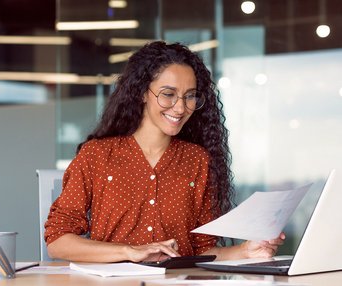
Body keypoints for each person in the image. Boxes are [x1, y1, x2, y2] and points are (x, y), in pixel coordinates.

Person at [44, 41, 285, 263]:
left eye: (190, 96)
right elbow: (58, 241)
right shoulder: (96, 155)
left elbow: (201, 251)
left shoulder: (197, 160)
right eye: (168, 94)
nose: (180, 107)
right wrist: (129, 251)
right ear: (141, 92)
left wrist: (245, 251)